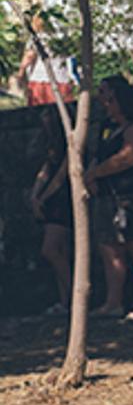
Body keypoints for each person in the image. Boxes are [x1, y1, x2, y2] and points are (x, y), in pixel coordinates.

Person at [84, 75, 133, 320]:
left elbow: (127, 158)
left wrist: (94, 174)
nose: (105, 104)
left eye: (109, 99)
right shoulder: (110, 130)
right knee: (111, 252)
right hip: (110, 198)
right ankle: (113, 302)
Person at [29, 109, 73, 315]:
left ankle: (74, 295)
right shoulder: (51, 146)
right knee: (60, 251)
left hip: (62, 199)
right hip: (50, 199)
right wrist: (35, 195)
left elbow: (61, 175)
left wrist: (43, 197)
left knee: (50, 249)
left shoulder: (70, 144)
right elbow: (45, 171)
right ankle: (65, 301)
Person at [18, 16, 75, 106]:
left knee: (40, 114)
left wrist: (20, 73)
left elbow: (29, 56)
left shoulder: (37, 38)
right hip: (62, 81)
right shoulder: (62, 38)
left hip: (41, 82)